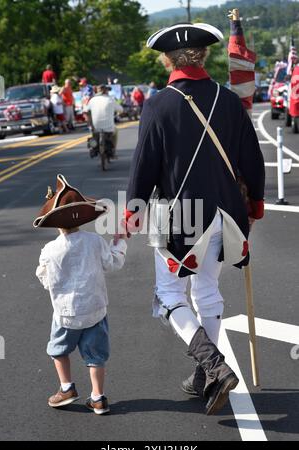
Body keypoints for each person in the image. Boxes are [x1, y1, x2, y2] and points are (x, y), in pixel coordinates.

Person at [122, 23, 265, 415]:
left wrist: (134, 209)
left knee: (170, 296)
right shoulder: (228, 99)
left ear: (168, 59)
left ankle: (214, 366)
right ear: (203, 56)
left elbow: (145, 165)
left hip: (178, 217)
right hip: (222, 213)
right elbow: (251, 159)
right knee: (206, 293)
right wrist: (255, 202)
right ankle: (205, 375)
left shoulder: (157, 104)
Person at [34, 174, 127, 414]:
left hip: (65, 314)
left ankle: (66, 388)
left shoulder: (49, 250)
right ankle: (98, 398)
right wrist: (120, 243)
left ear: (55, 222)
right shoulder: (94, 241)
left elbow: (45, 280)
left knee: (59, 351)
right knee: (96, 357)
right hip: (95, 310)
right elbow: (113, 263)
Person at [87, 84, 123, 155]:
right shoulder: (110, 99)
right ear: (105, 91)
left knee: (93, 134)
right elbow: (121, 110)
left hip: (95, 128)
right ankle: (114, 150)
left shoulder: (92, 100)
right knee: (116, 131)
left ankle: (93, 147)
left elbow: (86, 110)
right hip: (109, 128)